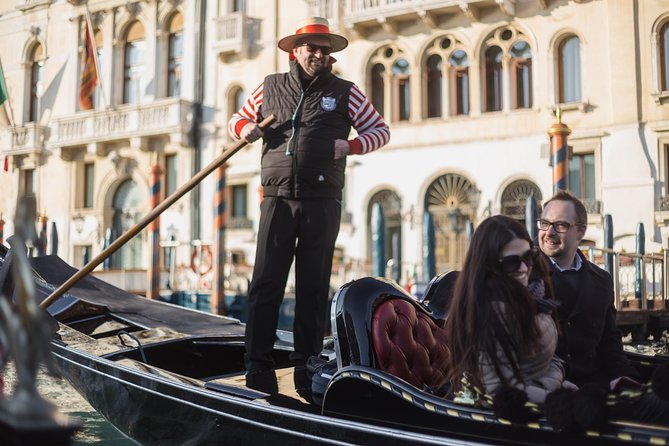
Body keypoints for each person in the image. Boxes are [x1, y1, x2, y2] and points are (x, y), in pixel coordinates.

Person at [228, 17, 390, 379]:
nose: (317, 53)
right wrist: (247, 128)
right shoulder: (269, 87)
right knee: (265, 282)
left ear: (329, 55)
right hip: (277, 196)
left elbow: (381, 131)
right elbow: (236, 119)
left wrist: (349, 145)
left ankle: (307, 360)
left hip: (323, 198)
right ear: (295, 51)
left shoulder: (346, 91)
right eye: (311, 47)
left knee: (314, 284)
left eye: (323, 49)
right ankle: (256, 362)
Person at [538, 190, 669, 423]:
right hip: (551, 389)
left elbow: (610, 341)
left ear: (581, 231)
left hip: (596, 383)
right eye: (545, 223)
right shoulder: (524, 275)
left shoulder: (601, 280)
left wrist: (627, 378)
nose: (549, 232)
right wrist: (552, 382)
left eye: (560, 225)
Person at [445, 215, 564, 404]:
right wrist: (556, 395)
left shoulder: (533, 295)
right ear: (490, 266)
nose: (525, 268)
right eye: (511, 262)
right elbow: (500, 390)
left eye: (529, 257)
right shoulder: (492, 313)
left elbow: (551, 360)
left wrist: (553, 385)